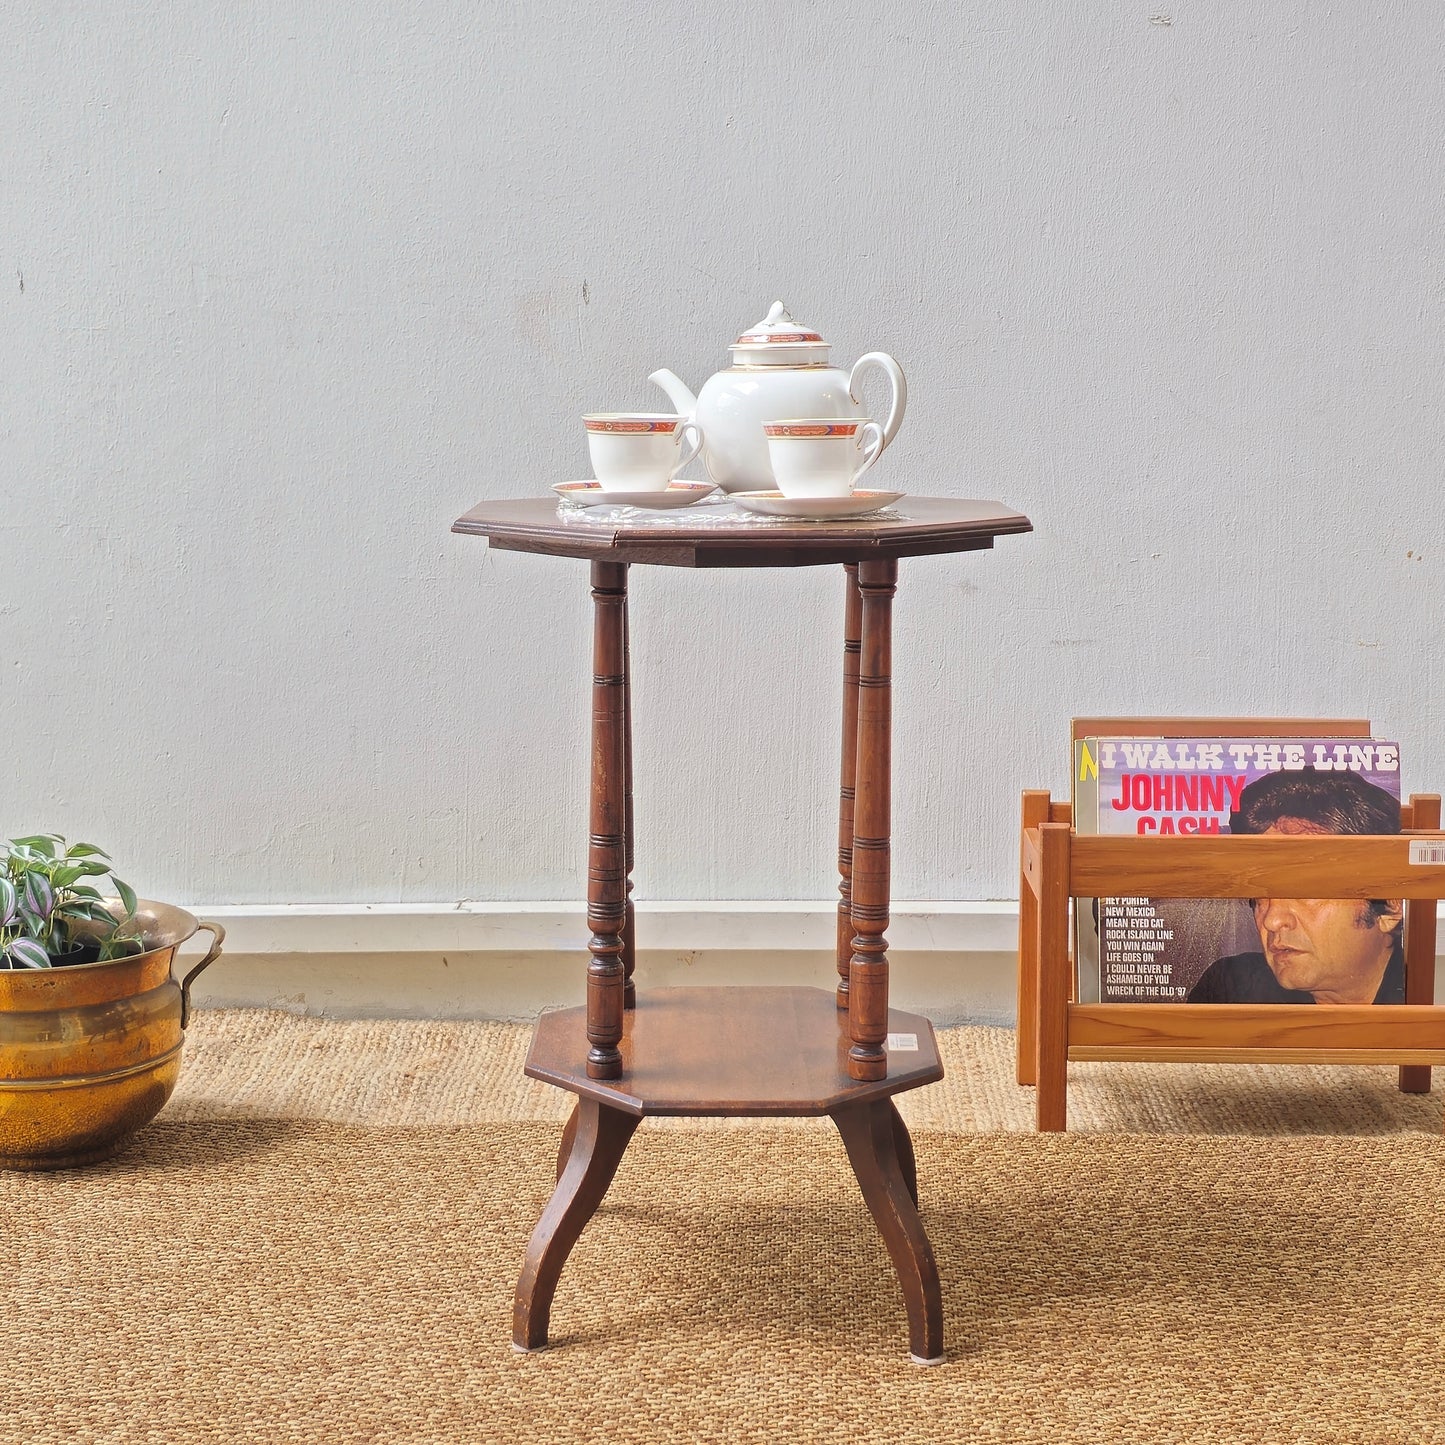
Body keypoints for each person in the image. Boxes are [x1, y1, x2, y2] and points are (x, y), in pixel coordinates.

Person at [1186, 768, 1405, 1004]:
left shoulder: (1424, 1000)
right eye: (1260, 893)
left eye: (1303, 889)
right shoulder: (1228, 989)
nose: (1271, 921)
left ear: (1390, 906)